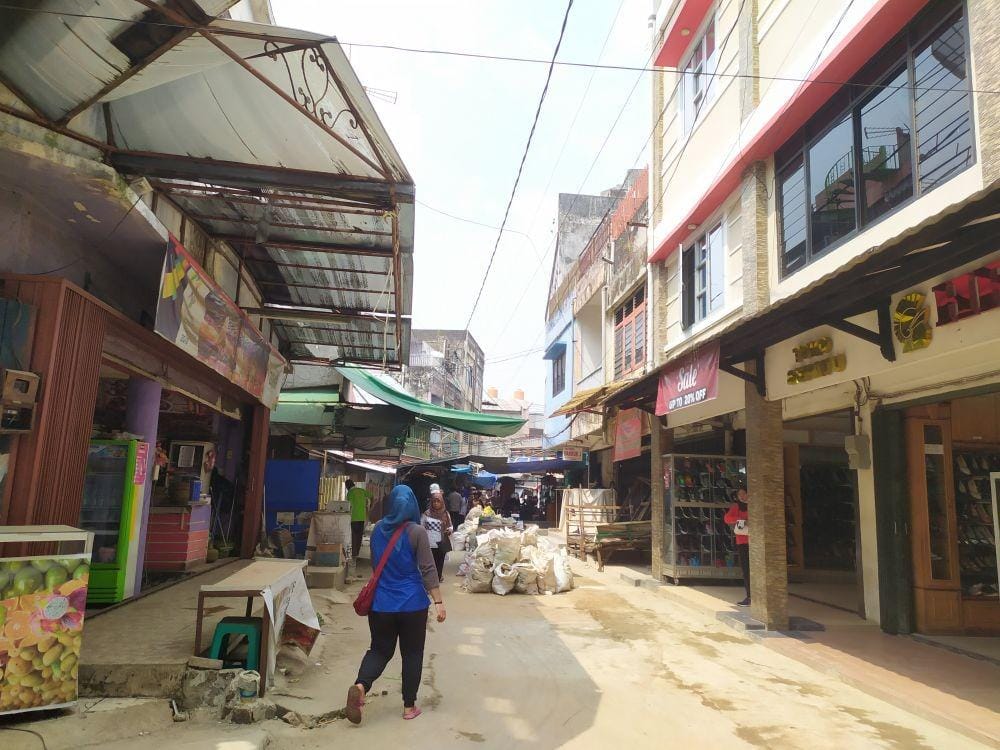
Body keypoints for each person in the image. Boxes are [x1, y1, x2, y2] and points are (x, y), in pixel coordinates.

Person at [346, 485, 446, 724]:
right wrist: (439, 601)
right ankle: (409, 707)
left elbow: (375, 566)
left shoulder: (379, 529)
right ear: (412, 505)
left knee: (380, 650)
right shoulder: (417, 532)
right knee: (412, 653)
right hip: (413, 605)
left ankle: (361, 686)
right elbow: (428, 569)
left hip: (381, 605)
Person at [724, 487, 750, 606]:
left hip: (754, 542)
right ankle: (749, 596)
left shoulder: (753, 505)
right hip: (742, 542)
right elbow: (727, 518)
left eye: (744, 493)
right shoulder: (736, 507)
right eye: (739, 494)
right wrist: (740, 519)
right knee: (746, 570)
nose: (741, 496)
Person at [421, 489, 453, 582]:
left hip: (441, 542)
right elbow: (421, 525)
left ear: (442, 502)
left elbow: (450, 526)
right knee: (431, 562)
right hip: (429, 543)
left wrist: (449, 530)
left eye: (438, 501)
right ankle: (431, 580)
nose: (436, 503)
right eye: (434, 501)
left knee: (440, 562)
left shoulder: (445, 514)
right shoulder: (427, 513)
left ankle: (437, 579)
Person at [346, 480, 371, 563]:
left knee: (353, 536)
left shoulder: (350, 493)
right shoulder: (361, 490)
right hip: (362, 517)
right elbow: (372, 496)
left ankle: (353, 555)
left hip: (353, 518)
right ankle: (357, 553)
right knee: (359, 536)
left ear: (347, 487)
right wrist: (370, 506)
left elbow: (348, 505)